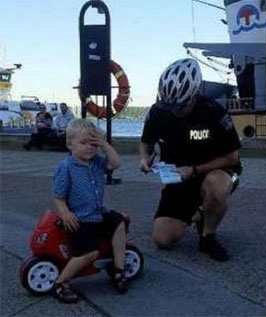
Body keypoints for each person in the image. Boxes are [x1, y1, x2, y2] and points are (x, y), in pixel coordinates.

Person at [139, 58, 242, 262]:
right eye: (169, 105)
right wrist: (144, 159)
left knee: (218, 186)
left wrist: (194, 170)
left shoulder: (214, 112)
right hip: (177, 177)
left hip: (211, 171)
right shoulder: (158, 112)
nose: (173, 110)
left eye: (179, 106)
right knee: (163, 240)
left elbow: (232, 157)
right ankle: (199, 212)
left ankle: (208, 237)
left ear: (193, 96)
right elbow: (146, 142)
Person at [52, 119, 128, 303]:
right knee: (90, 253)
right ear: (70, 144)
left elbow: (116, 163)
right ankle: (61, 282)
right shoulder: (66, 167)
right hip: (79, 219)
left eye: (93, 144)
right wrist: (65, 213)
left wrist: (103, 143)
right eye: (84, 143)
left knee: (119, 222)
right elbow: (58, 197)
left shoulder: (97, 162)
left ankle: (118, 269)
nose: (90, 147)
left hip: (98, 214)